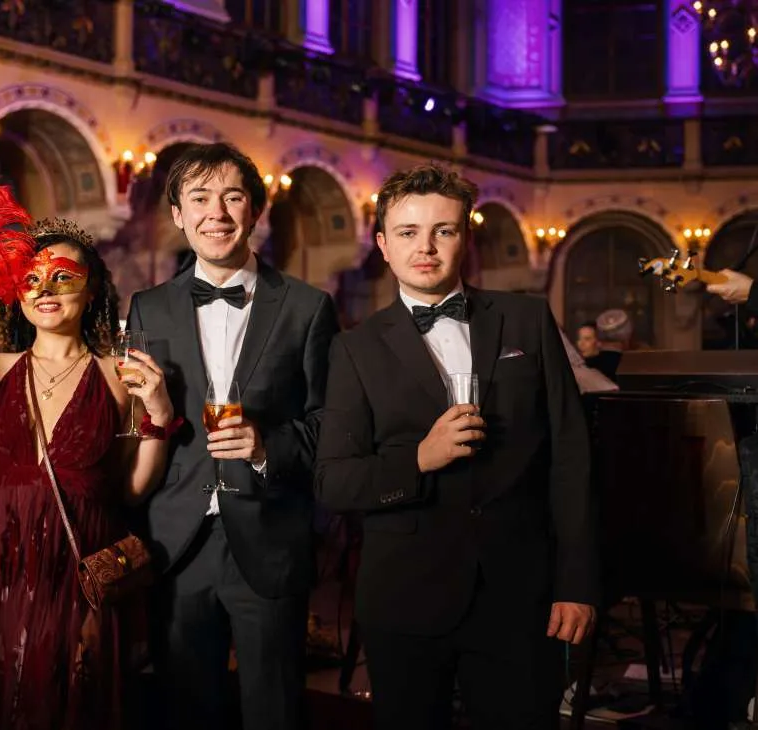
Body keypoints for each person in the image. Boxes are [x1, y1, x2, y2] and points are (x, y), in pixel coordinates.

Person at [314, 163, 598, 729]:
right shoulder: (354, 349)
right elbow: (334, 482)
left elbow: (572, 457)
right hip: (404, 600)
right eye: (408, 232)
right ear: (382, 245)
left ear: (466, 237)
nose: (425, 247)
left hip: (520, 595)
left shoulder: (527, 320)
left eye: (442, 230)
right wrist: (420, 459)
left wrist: (578, 583)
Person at [0, 174, 177, 730]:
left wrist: (161, 414)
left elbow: (131, 490)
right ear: (15, 291)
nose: (45, 288)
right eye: (31, 278)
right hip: (2, 577)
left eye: (63, 277)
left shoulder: (117, 376)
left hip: (79, 579)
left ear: (91, 290)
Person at [127, 142, 339, 730]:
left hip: (270, 537)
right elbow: (140, 422)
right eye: (199, 198)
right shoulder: (147, 308)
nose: (215, 213)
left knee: (275, 710)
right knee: (186, 710)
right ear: (177, 214)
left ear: (255, 210)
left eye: (232, 197)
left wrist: (269, 447)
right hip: (177, 541)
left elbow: (330, 424)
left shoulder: (308, 308)